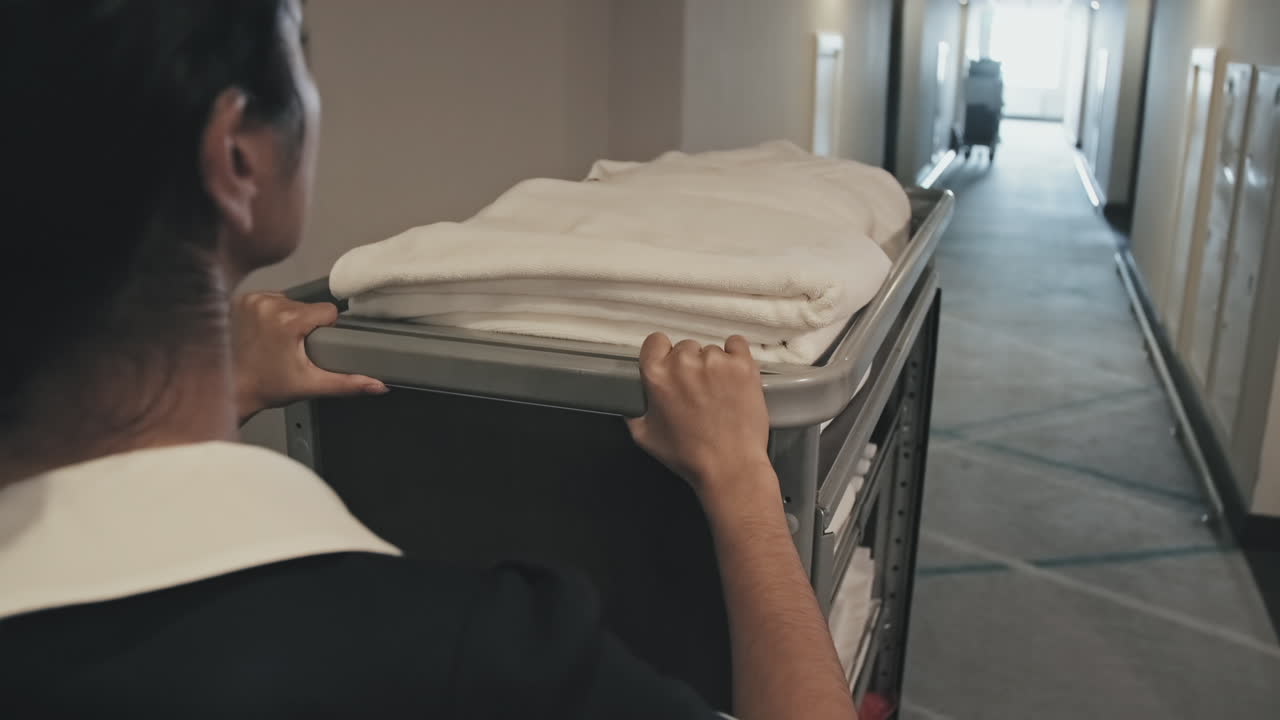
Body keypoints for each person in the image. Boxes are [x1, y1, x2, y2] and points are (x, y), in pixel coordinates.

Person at [0, 2, 857, 718]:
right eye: (300, 50)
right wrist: (745, 481)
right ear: (238, 155)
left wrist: (225, 395)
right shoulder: (472, 661)